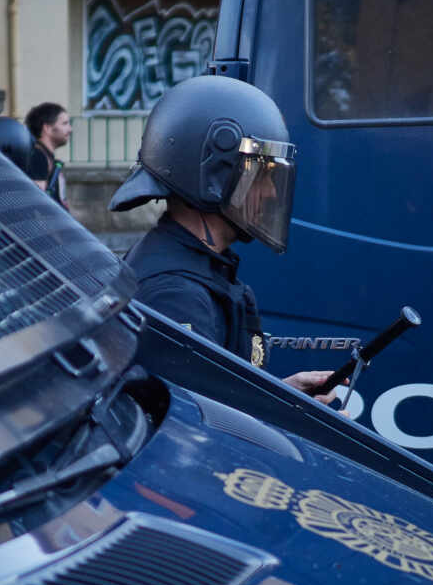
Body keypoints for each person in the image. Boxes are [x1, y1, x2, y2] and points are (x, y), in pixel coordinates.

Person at [108, 75, 339, 402]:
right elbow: (200, 432)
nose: (272, 191)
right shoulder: (176, 295)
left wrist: (285, 399)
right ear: (213, 176)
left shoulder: (197, 264)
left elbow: (222, 402)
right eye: (263, 175)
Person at [25, 102, 71, 209]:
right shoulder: (37, 157)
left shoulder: (43, 156)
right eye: (65, 124)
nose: (70, 129)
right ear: (47, 128)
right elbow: (39, 204)